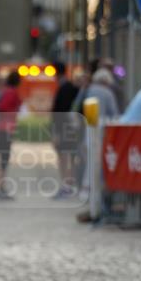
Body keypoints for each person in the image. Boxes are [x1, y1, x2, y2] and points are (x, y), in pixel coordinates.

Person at [50, 62, 79, 198]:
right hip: (72, 127)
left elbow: (58, 112)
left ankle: (66, 185)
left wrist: (55, 132)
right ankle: (70, 184)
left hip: (63, 128)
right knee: (70, 157)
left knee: (64, 157)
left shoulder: (63, 89)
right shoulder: (73, 87)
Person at [0, 70, 22, 198]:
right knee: (3, 160)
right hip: (4, 130)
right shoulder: (12, 92)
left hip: (0, 129)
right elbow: (2, 108)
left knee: (0, 159)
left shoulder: (5, 91)